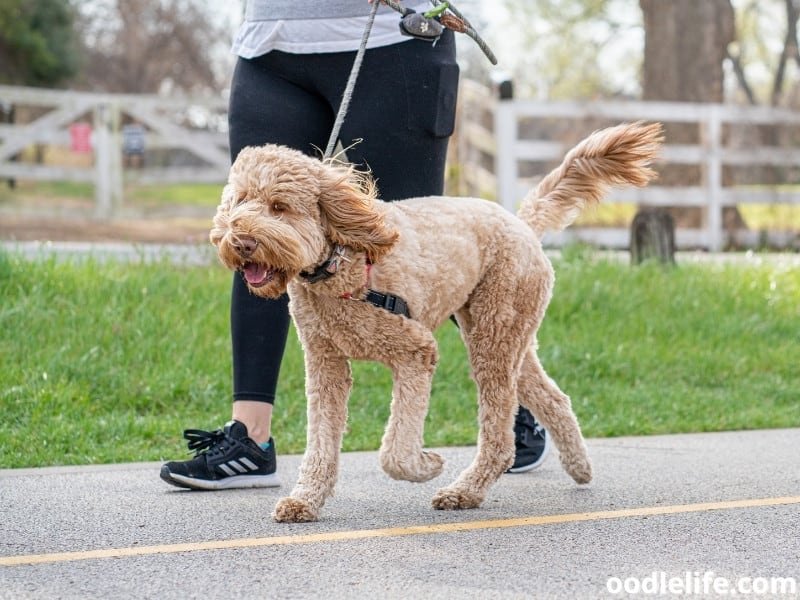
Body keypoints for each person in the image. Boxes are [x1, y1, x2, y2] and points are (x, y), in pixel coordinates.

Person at [160, 0, 548, 491]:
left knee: (418, 252)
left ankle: (511, 409)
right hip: (270, 42)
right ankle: (251, 439)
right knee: (257, 241)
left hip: (395, 36)